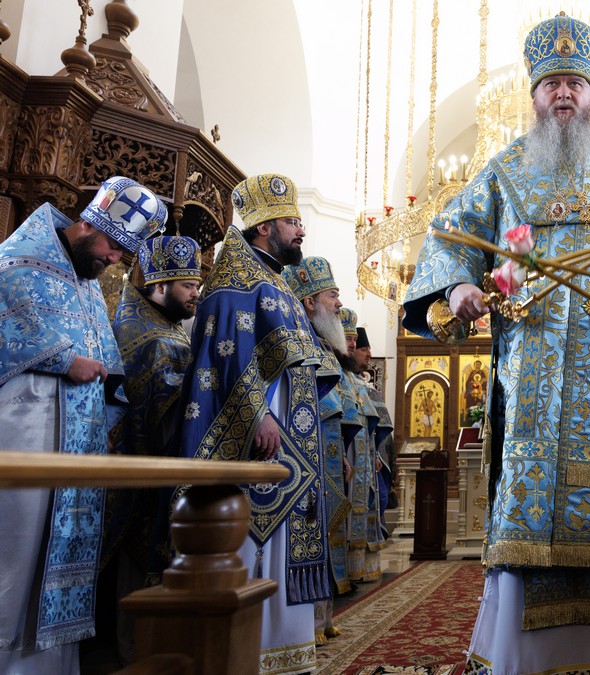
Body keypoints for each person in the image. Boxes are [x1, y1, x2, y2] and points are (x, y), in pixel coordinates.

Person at [401, 13, 590, 674]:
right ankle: (528, 657)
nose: (564, 93)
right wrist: (459, 287)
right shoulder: (503, 173)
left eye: (575, 82)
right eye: (552, 84)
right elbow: (449, 239)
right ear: (535, 94)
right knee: (531, 498)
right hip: (534, 379)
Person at [0, 176, 166, 672]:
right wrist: (64, 361)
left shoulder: (90, 287)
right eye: (114, 246)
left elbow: (105, 363)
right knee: (16, 557)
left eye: (124, 254)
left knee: (56, 564)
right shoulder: (16, 263)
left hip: (73, 449)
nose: (115, 259)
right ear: (91, 223)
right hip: (25, 435)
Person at [178, 173, 338, 674]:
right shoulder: (234, 283)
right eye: (293, 221)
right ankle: (250, 656)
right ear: (265, 226)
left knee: (281, 547)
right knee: (253, 545)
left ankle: (284, 656)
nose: (302, 230)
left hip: (289, 447)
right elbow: (225, 358)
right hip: (259, 443)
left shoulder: (275, 282)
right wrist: (259, 415)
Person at [108, 234, 202, 662]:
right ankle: (139, 656)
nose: (195, 293)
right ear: (160, 285)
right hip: (143, 472)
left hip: (156, 469)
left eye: (197, 285)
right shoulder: (151, 336)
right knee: (139, 562)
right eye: (188, 286)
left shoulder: (161, 325)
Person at [281, 256, 351, 646]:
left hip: (319, 455)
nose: (338, 304)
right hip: (296, 458)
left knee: (318, 530)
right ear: (309, 302)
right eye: (332, 295)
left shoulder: (318, 341)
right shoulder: (298, 337)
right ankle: (304, 625)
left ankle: (320, 619)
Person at [338, 307, 385, 583]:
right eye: (350, 340)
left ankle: (357, 568)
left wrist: (374, 452)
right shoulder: (338, 375)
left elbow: (368, 422)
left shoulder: (356, 381)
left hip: (362, 457)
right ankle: (345, 569)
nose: (356, 347)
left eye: (355, 341)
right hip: (346, 454)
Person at [354, 326, 396, 532]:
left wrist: (377, 453)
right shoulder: (345, 382)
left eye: (369, 349)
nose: (369, 354)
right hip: (354, 458)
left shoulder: (363, 385)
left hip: (370, 457)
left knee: (379, 499)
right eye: (364, 349)